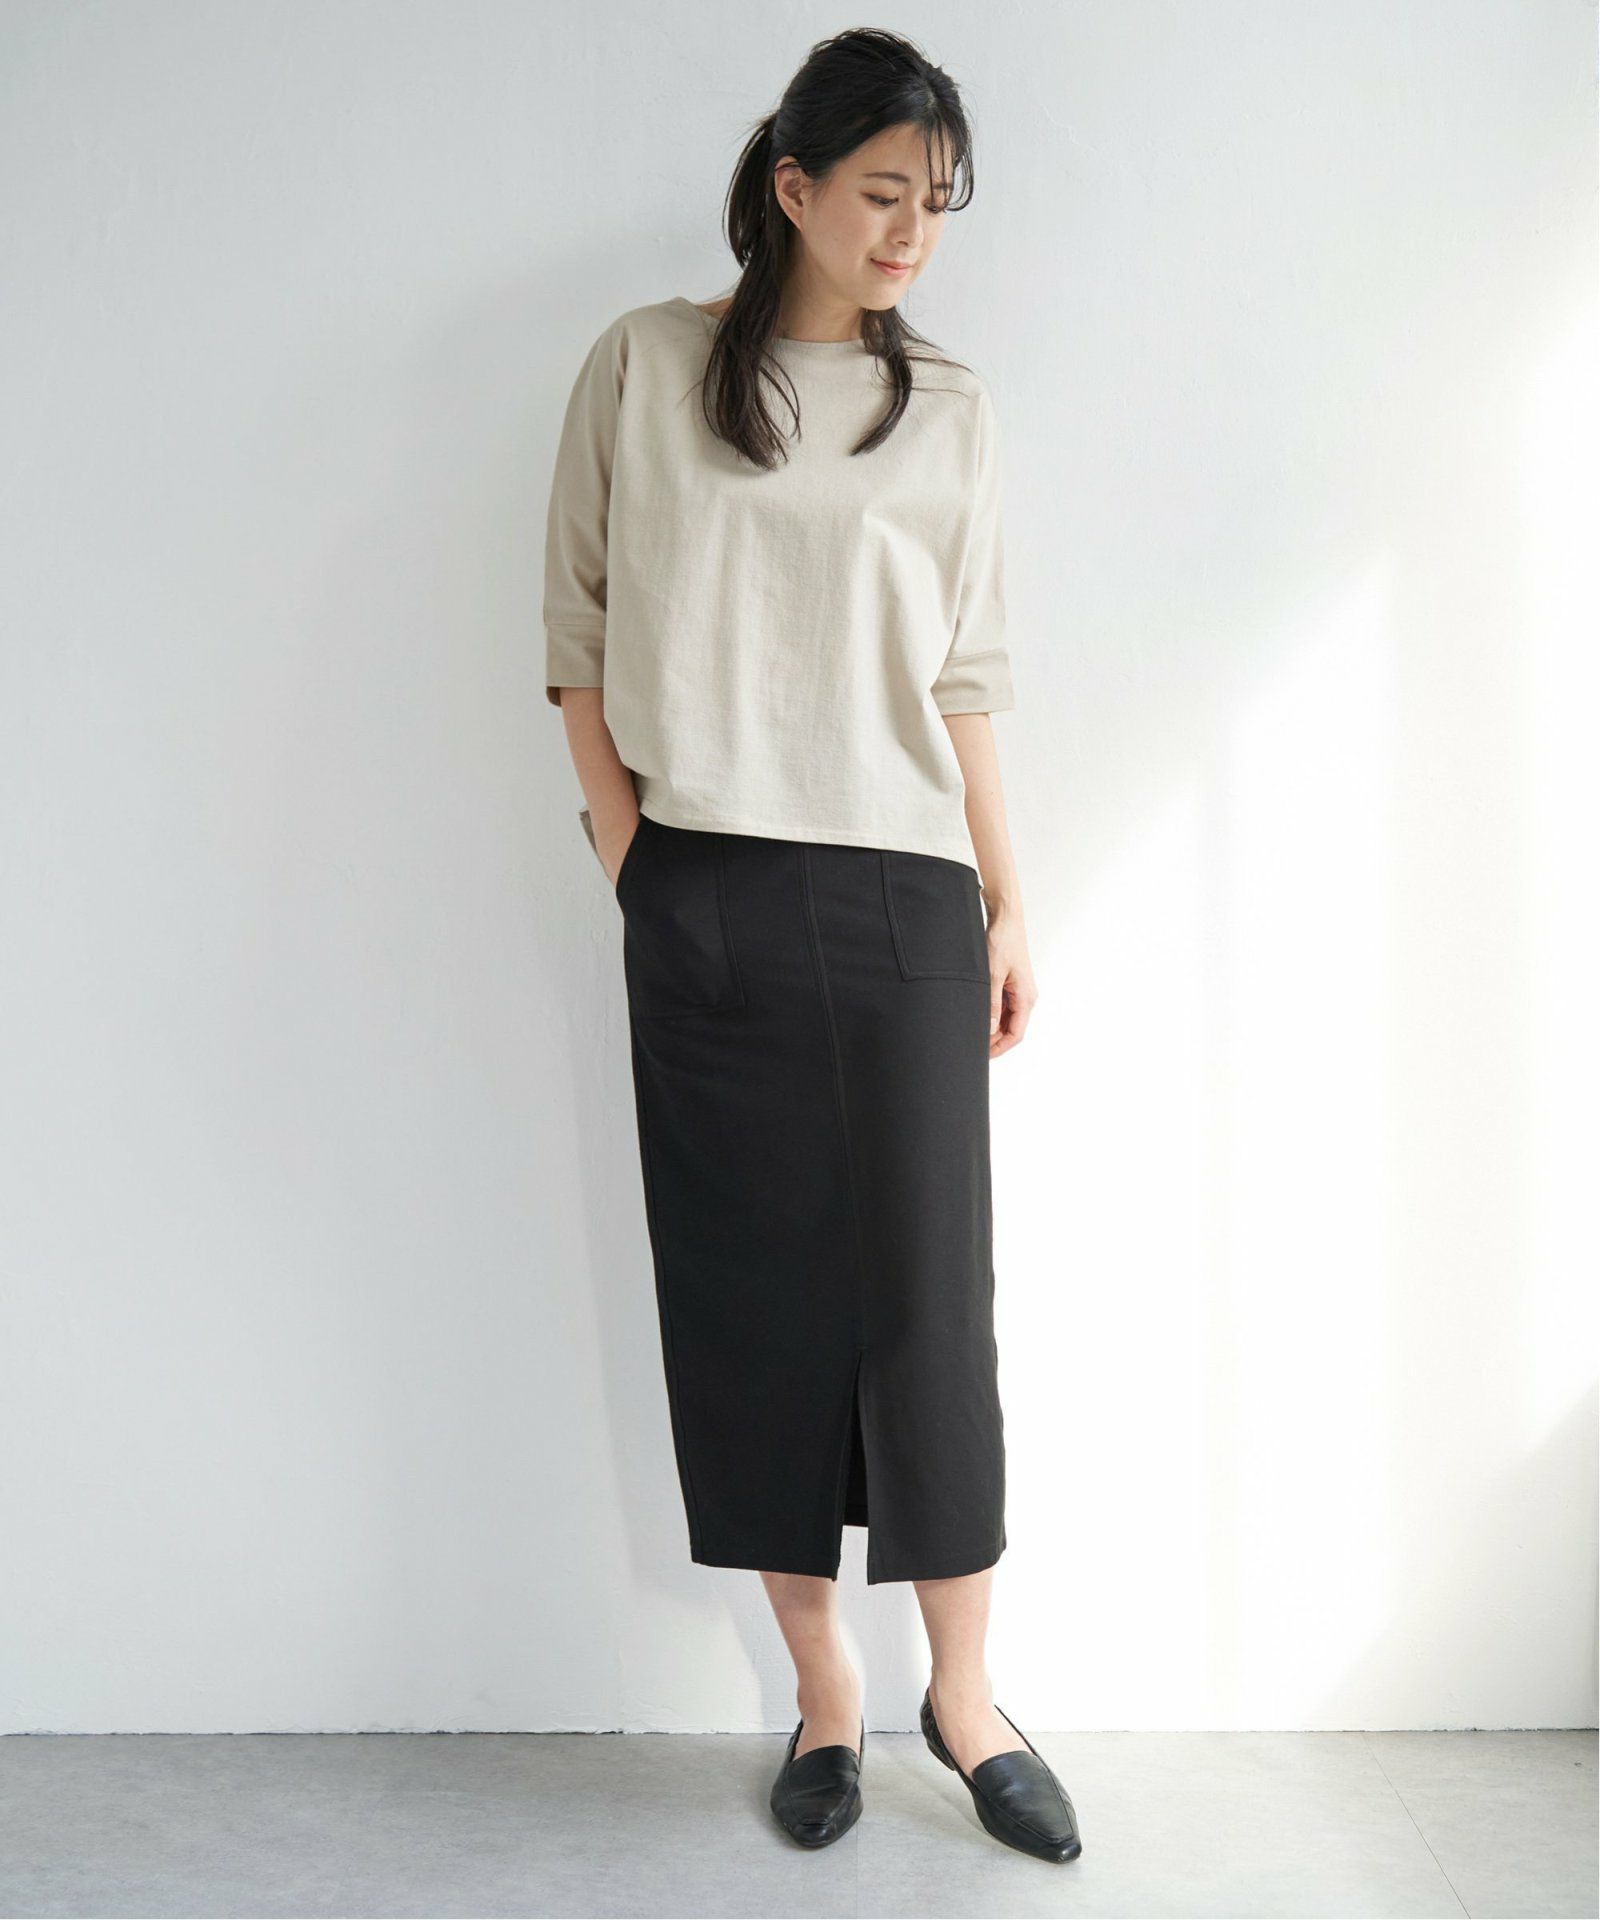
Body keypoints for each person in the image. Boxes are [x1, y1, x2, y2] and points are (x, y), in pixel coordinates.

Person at [542, 27, 1080, 1867]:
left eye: (937, 203)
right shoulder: (645, 366)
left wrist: (1007, 894)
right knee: (754, 1300)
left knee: (930, 1303)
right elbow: (575, 633)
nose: (913, 232)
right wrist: (635, 858)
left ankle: (966, 1697)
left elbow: (969, 671)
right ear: (793, 186)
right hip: (704, 881)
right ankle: (826, 1696)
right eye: (881, 193)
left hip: (906, 885)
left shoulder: (953, 410)